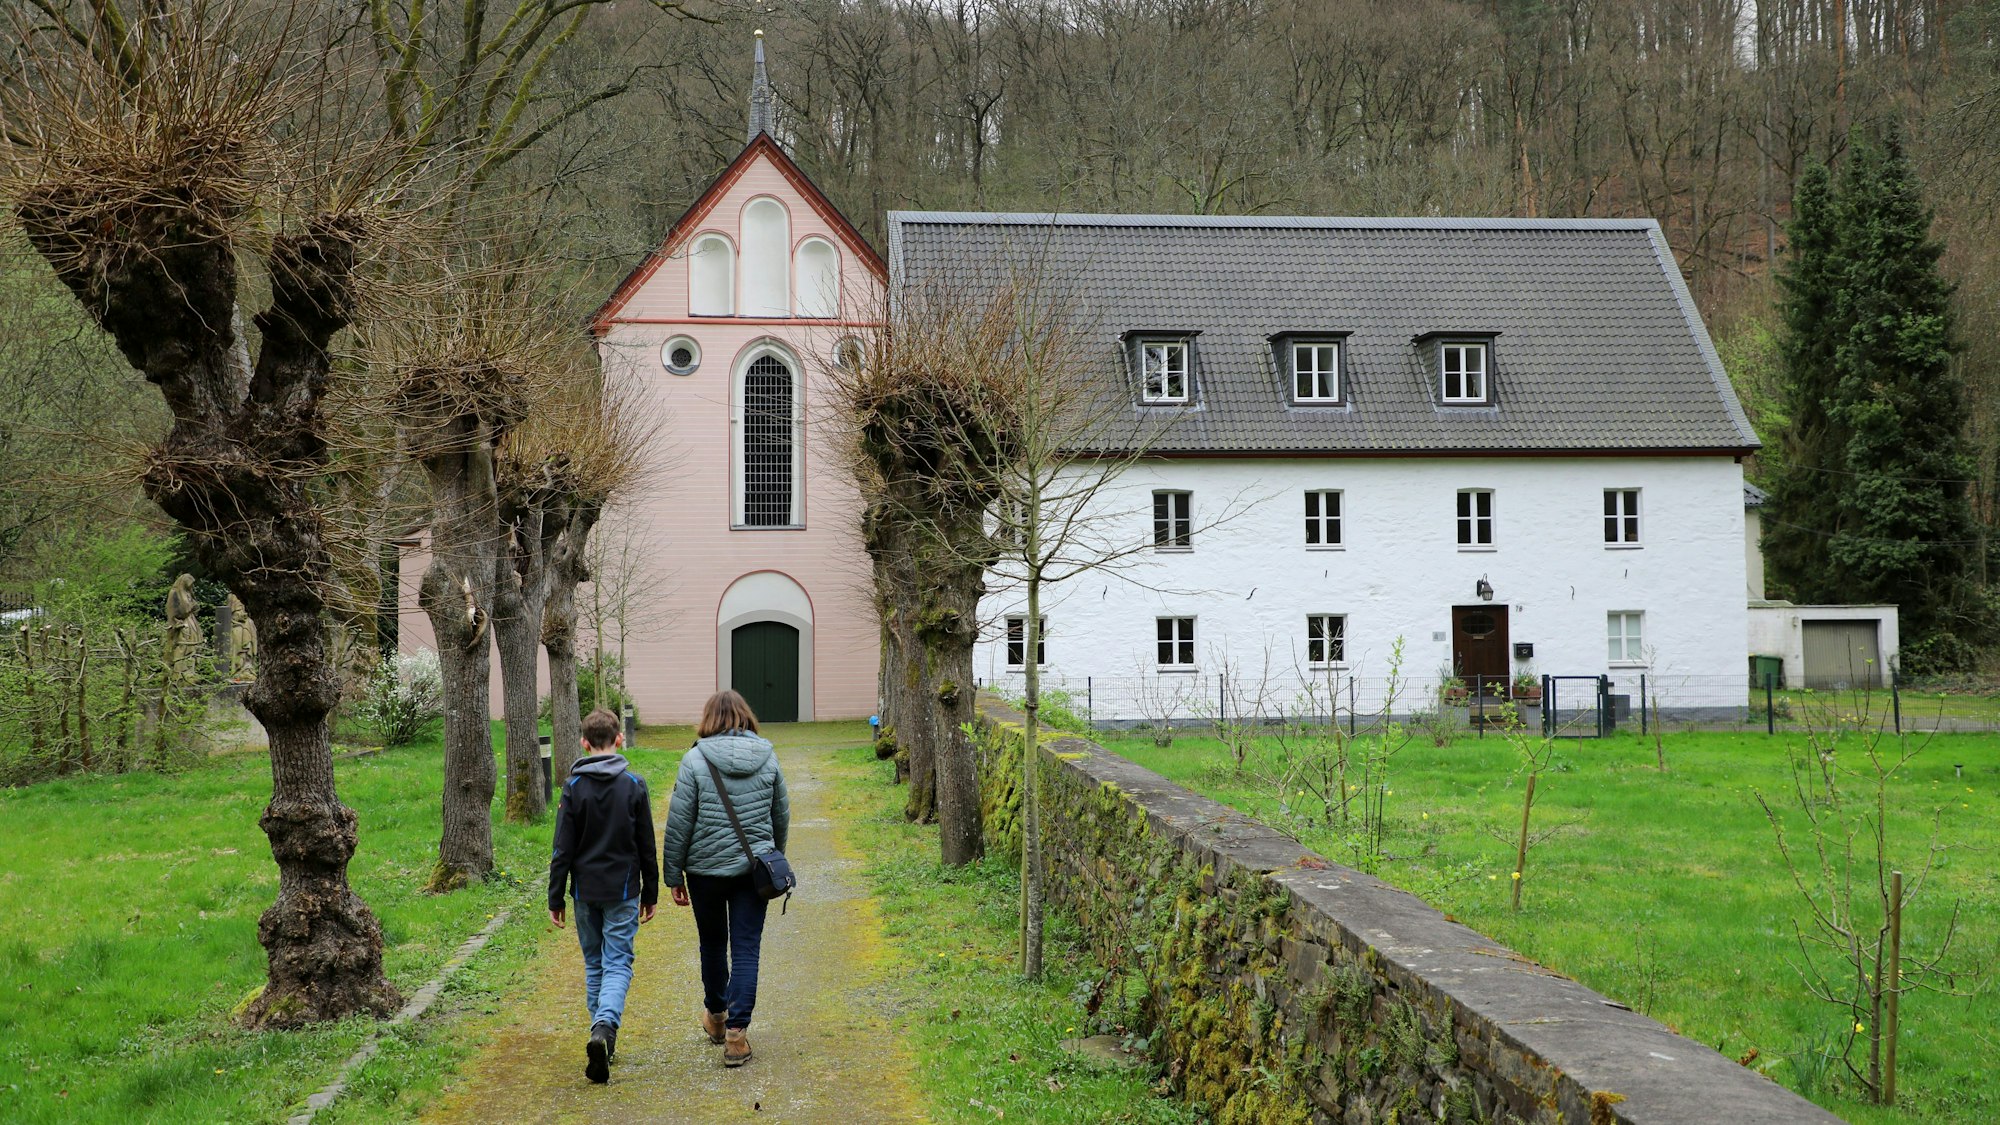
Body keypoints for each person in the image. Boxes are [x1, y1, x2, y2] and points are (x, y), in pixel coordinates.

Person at [661, 690, 790, 1068]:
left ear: (708, 719)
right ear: (745, 717)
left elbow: (679, 823)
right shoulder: (768, 756)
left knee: (713, 944)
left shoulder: (694, 759)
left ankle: (716, 1017)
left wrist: (673, 874)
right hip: (753, 873)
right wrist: (772, 856)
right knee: (747, 948)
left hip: (705, 872)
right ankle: (737, 1037)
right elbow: (780, 814)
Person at [548, 707, 659, 1084]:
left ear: (583, 743)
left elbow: (562, 848)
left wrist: (556, 897)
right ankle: (605, 1028)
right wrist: (651, 891)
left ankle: (601, 1036)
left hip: (584, 891)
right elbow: (646, 845)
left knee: (595, 963)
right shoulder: (633, 784)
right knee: (618, 963)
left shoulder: (574, 787)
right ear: (619, 739)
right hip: (624, 890)